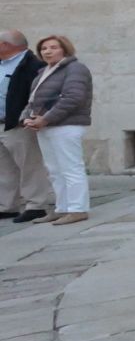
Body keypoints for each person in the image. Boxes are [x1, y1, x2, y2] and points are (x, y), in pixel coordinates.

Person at [22, 35, 92, 225]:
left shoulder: (75, 69)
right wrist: (28, 118)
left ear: (65, 49)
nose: (48, 51)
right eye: (44, 48)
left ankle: (78, 209)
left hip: (66, 125)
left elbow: (73, 98)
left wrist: (45, 119)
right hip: (47, 126)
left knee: (71, 168)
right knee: (54, 170)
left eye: (53, 47)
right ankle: (62, 208)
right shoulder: (44, 71)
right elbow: (34, 100)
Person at [0, 30, 52, 223]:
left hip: (19, 123)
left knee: (29, 165)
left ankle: (36, 205)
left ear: (5, 45)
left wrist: (30, 117)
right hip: (1, 123)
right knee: (4, 168)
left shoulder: (33, 65)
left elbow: (41, 95)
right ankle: (7, 206)